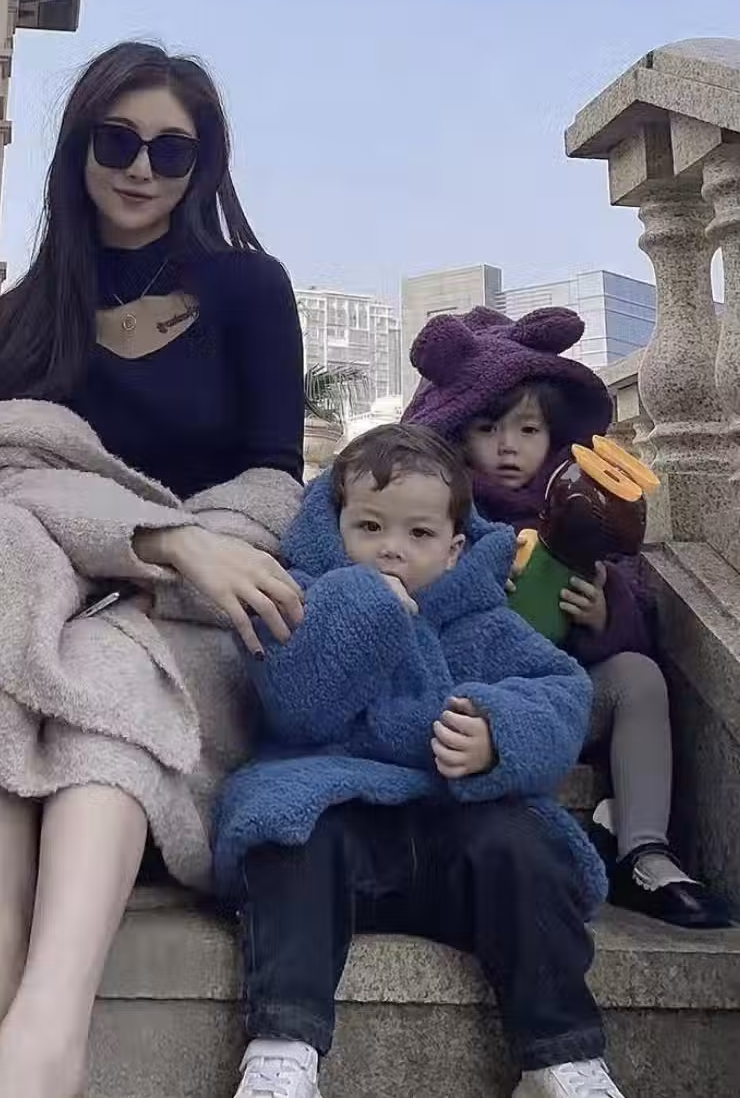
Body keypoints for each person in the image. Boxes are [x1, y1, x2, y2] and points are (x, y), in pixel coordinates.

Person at [0, 41, 307, 1098]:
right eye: (117, 140)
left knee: (114, 664)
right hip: (68, 592)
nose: (141, 168)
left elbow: (274, 484)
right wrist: (158, 538)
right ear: (79, 145)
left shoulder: (249, 289)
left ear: (203, 165)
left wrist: (183, 560)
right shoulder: (23, 312)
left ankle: (44, 1035)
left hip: (191, 619)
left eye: (172, 150)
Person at [215, 424, 625, 1098]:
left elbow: (561, 693)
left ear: (455, 548)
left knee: (523, 845)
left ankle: (561, 1056)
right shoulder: (295, 598)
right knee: (288, 831)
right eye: (369, 526)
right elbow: (299, 705)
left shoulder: (485, 620)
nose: (391, 549)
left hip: (452, 835)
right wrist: (368, 606)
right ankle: (283, 1047)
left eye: (419, 534)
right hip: (340, 819)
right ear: (336, 526)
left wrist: (498, 734)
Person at [403, 304, 731, 930]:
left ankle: (644, 851)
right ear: (456, 431)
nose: (508, 446)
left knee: (637, 676)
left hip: (549, 704)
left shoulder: (578, 509)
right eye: (488, 427)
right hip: (454, 708)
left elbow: (634, 614)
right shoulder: (430, 508)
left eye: (527, 430)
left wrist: (604, 614)